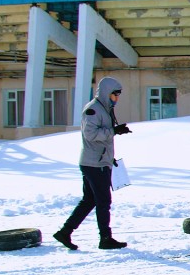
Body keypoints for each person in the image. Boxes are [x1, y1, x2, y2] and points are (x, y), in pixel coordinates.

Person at [53, 77, 132, 250]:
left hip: (99, 161)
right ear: (106, 93)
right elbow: (90, 134)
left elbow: (103, 136)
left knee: (89, 200)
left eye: (117, 96)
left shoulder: (104, 109)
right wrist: (113, 131)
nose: (116, 99)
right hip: (95, 164)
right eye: (114, 95)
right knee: (103, 201)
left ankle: (65, 232)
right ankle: (105, 238)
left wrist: (115, 135)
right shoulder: (93, 110)